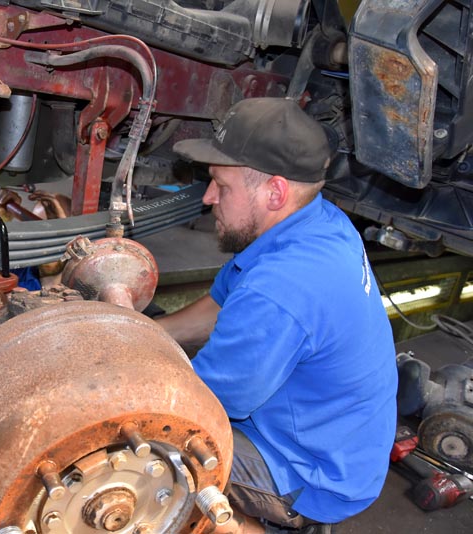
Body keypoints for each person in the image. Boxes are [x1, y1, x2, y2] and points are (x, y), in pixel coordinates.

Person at [157, 98, 397, 533]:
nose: (208, 197)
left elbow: (197, 407)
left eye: (221, 186)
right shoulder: (317, 220)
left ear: (275, 192)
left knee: (149, 449)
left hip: (312, 472)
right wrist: (143, 332)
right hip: (333, 435)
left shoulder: (285, 286)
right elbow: (221, 304)